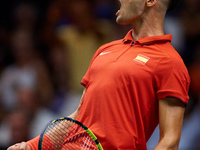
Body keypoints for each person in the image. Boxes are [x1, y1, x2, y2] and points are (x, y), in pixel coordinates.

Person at [7, 0, 190, 149]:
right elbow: (79, 116)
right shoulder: (105, 49)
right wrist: (29, 146)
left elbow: (170, 141)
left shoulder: (170, 63)